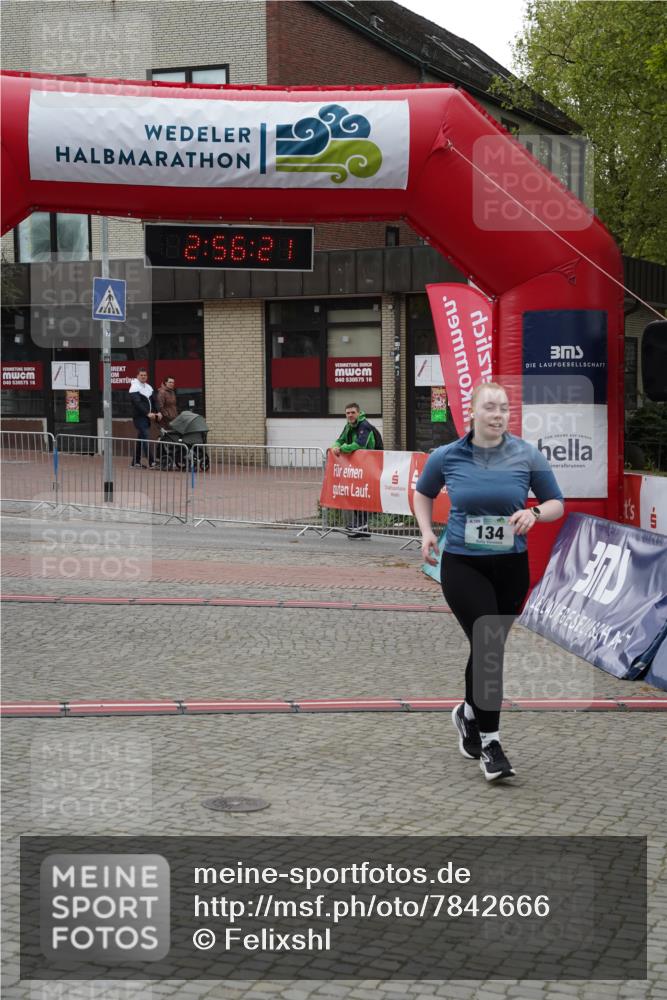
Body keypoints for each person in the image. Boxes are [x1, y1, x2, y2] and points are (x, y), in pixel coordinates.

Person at [413, 382, 564, 781]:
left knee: (488, 648)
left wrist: (534, 513)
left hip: (511, 568)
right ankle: (492, 744)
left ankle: (467, 712)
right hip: (463, 564)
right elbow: (422, 493)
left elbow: (556, 503)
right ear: (473, 413)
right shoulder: (447, 456)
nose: (498, 415)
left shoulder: (526, 455)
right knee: (487, 645)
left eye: (504, 409)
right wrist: (427, 532)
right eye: (490, 408)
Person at [331, 402, 378, 539]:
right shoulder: (348, 426)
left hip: (371, 465)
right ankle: (361, 528)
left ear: (359, 413)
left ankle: (362, 525)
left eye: (353, 412)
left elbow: (359, 444)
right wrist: (335, 446)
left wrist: (342, 449)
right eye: (348, 413)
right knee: (357, 494)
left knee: (363, 495)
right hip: (357, 466)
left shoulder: (365, 426)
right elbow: (340, 440)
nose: (350, 415)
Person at [128, 368, 161, 467]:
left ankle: (135, 462)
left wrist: (158, 412)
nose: (143, 377)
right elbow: (137, 403)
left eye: (145, 375)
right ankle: (152, 462)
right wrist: (147, 413)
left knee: (141, 438)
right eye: (141, 375)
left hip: (147, 417)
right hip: (139, 417)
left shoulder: (148, 387)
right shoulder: (134, 387)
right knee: (146, 437)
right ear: (137, 376)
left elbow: (154, 401)